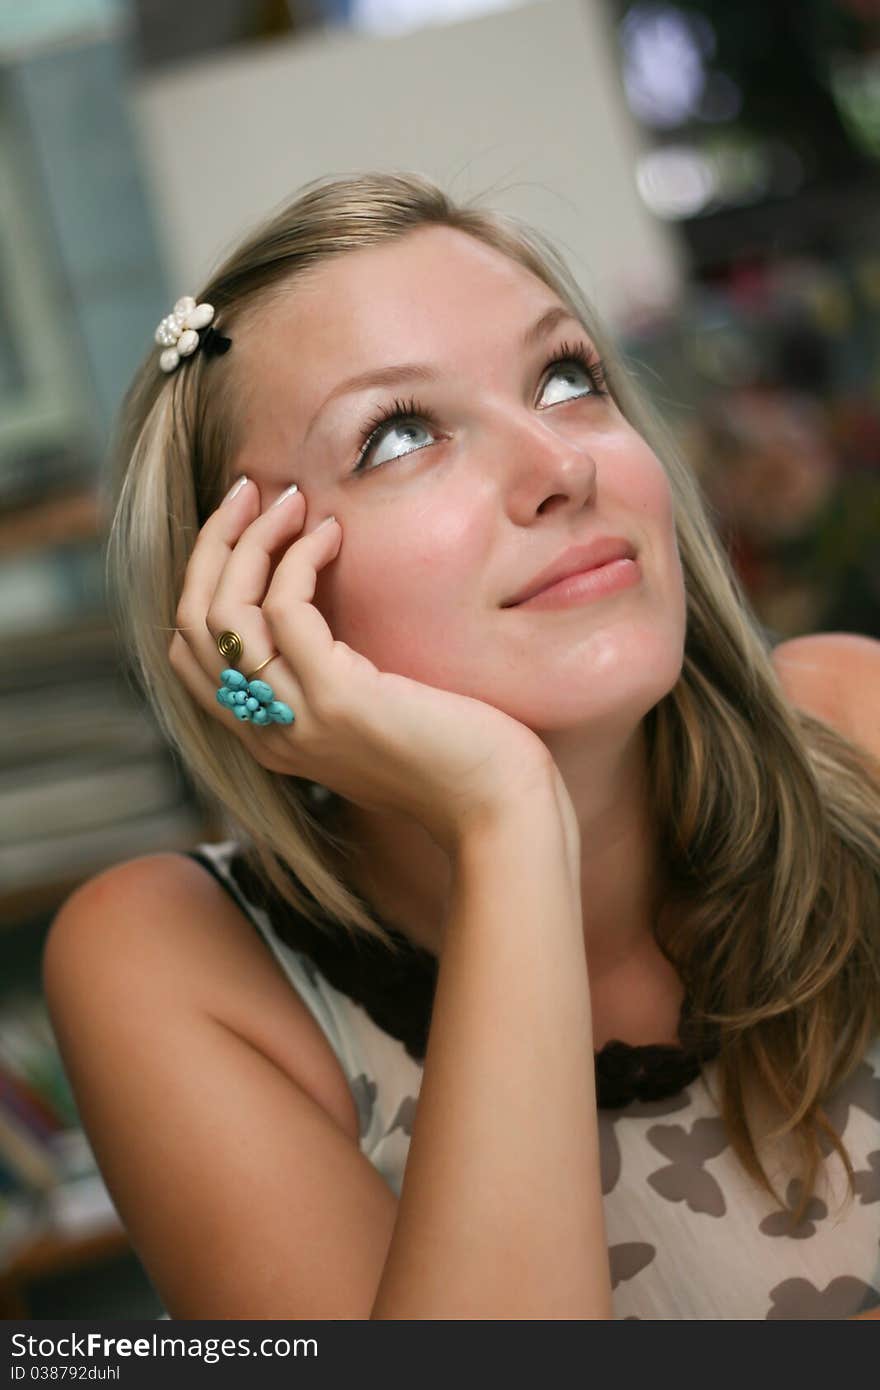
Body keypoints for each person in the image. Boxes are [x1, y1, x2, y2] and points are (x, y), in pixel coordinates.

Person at [42, 172, 880, 1320]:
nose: (560, 467)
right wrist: (503, 818)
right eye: (397, 435)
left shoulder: (857, 726)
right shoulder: (174, 960)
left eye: (567, 379)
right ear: (249, 596)